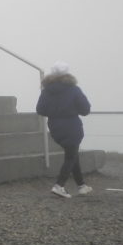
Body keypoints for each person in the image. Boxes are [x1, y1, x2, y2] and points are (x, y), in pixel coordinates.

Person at [36, 61, 92, 199]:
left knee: (72, 154)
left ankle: (82, 186)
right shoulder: (74, 89)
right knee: (71, 156)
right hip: (72, 125)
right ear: (67, 74)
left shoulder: (46, 90)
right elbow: (85, 109)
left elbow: (40, 110)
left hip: (55, 126)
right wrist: (72, 109)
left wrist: (55, 111)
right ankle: (59, 186)